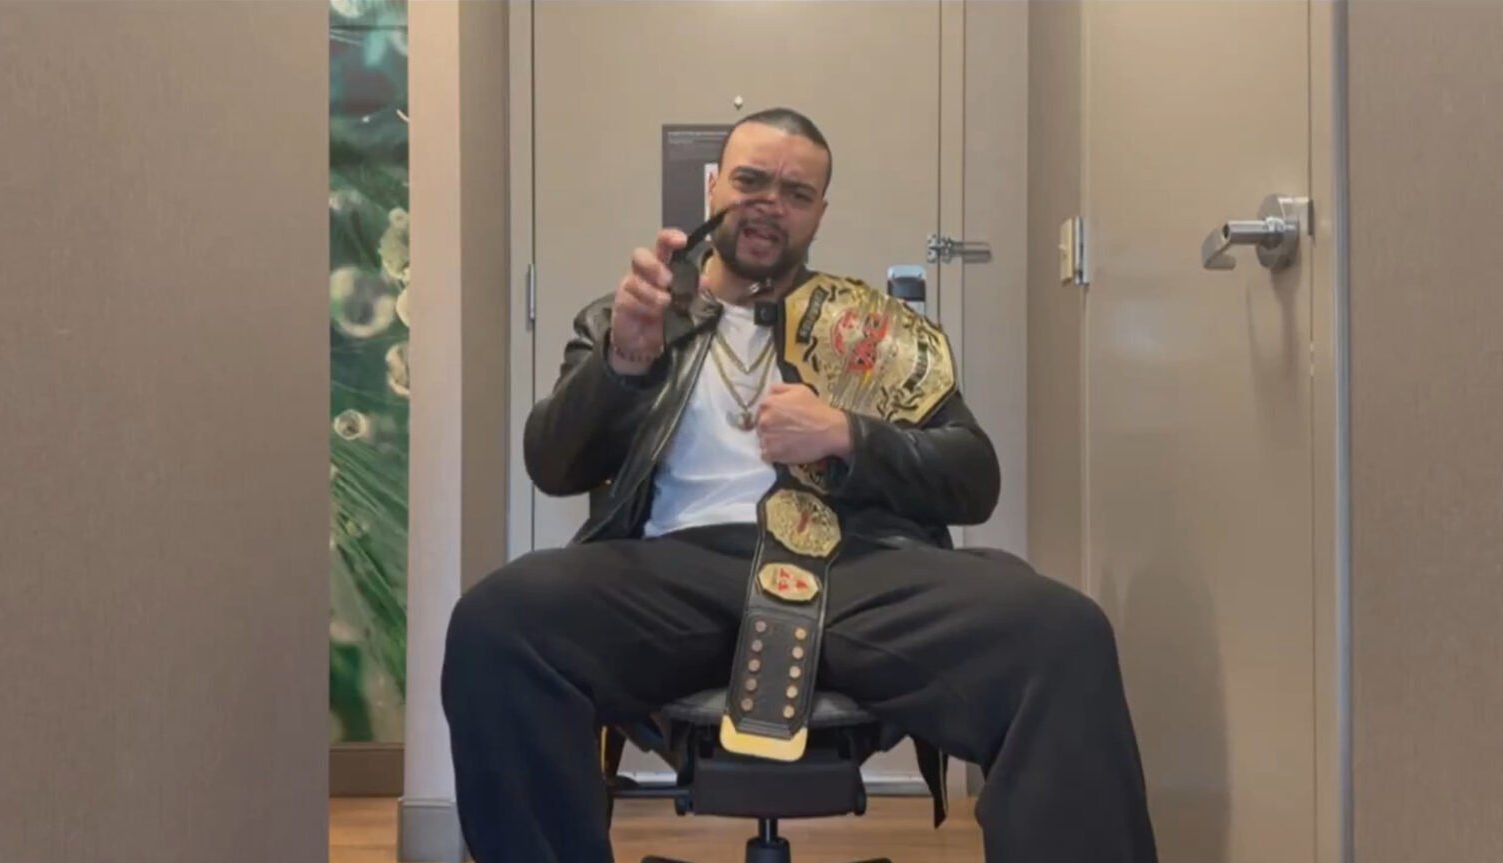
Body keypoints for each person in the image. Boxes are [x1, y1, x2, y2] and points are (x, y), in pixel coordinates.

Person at [441, 107, 1158, 863]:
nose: (769, 204)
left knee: (1063, 632)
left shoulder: (872, 330)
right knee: (498, 622)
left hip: (856, 565)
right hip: (674, 568)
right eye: (750, 181)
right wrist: (623, 361)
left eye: (795, 193)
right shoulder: (631, 317)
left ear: (820, 213)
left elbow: (974, 477)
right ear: (715, 186)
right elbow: (552, 465)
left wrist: (849, 435)